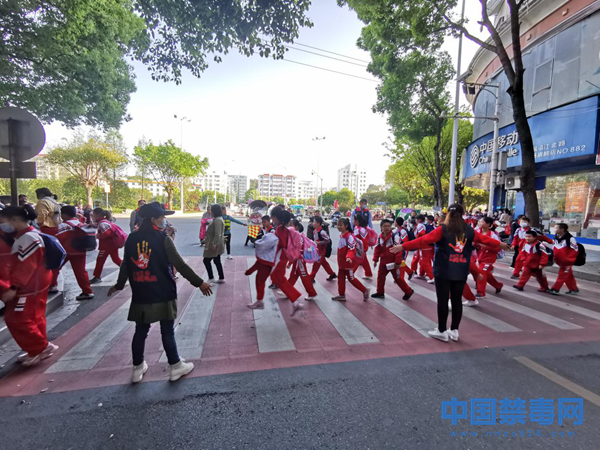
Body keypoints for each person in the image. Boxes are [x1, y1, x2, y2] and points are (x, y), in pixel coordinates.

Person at [108, 203, 212, 383]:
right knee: (167, 331)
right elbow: (180, 264)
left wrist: (118, 285)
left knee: (140, 331)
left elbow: (126, 265)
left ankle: (137, 368)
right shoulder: (164, 239)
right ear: (153, 219)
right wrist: (200, 283)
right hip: (163, 290)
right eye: (162, 217)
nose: (164, 220)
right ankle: (175, 366)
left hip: (141, 291)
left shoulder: (132, 238)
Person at [391, 203, 505, 343]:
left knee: (443, 301)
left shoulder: (442, 229)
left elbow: (423, 240)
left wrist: (402, 246)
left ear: (448, 214)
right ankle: (454, 330)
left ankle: (441, 331)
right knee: (457, 301)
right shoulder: (469, 230)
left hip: (443, 270)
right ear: (462, 214)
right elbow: (485, 240)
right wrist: (501, 245)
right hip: (461, 270)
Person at [1, 206, 58, 366]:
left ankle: (40, 347)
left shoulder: (27, 239)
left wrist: (14, 287)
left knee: (17, 319)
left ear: (14, 220)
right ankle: (37, 348)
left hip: (29, 287)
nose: (2, 226)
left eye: (3, 222)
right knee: (35, 317)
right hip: (36, 284)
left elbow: (26, 266)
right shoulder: (30, 235)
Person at [268, 206, 304, 316]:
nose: (271, 218)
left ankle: (295, 300)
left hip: (280, 257)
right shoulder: (284, 228)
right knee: (279, 278)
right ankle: (295, 301)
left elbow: (282, 243)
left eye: (272, 216)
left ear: (276, 217)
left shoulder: (279, 228)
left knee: (279, 279)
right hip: (282, 257)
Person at [56, 206, 94, 301]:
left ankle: (52, 285)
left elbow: (58, 239)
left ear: (64, 214)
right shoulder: (80, 224)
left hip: (66, 252)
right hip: (81, 251)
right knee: (81, 272)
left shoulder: (63, 225)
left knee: (54, 268)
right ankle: (87, 291)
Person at [371, 219, 413, 300]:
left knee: (398, 279)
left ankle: (408, 291)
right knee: (380, 277)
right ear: (381, 227)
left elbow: (398, 250)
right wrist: (375, 259)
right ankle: (380, 292)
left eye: (388, 226)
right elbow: (377, 249)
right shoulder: (380, 237)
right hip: (383, 262)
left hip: (393, 262)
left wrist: (398, 262)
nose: (387, 228)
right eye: (385, 226)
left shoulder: (395, 237)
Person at [333, 218, 370, 302]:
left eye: (341, 225)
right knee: (341, 278)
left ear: (346, 226)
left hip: (348, 262)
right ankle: (341, 295)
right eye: (338, 225)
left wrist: (349, 257)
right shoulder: (342, 235)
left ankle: (364, 290)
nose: (338, 227)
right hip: (342, 262)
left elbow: (352, 249)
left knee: (351, 278)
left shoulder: (349, 237)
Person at [245, 228, 279, 310]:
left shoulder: (263, 257)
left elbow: (256, 265)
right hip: (268, 266)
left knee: (260, 283)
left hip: (264, 269)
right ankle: (259, 301)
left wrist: (249, 271)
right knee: (260, 282)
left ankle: (260, 302)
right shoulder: (270, 254)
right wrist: (249, 271)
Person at [287, 219, 318, 301]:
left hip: (299, 260)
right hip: (297, 260)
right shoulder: (296, 236)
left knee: (304, 277)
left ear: (297, 227)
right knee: (293, 275)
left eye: (291, 225)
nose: (289, 227)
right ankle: (286, 290)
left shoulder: (297, 237)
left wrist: (290, 262)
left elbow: (297, 250)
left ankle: (312, 293)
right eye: (289, 225)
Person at [90, 208, 123, 284]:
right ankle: (129, 270)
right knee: (116, 259)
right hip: (112, 245)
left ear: (98, 215)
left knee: (100, 261)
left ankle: (97, 277)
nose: (92, 216)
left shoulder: (102, 223)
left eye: (93, 215)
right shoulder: (104, 222)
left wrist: (98, 236)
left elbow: (107, 233)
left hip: (106, 246)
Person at [475, 217, 503, 298]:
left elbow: (498, 247)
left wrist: (486, 247)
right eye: (479, 221)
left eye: (482, 222)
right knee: (486, 273)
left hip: (489, 258)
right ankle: (498, 285)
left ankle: (481, 293)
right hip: (480, 256)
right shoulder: (477, 232)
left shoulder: (493, 235)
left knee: (482, 272)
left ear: (488, 224)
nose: (480, 223)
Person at [548, 223, 580, 295]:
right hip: (560, 261)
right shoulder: (556, 237)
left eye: (556, 228)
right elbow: (555, 247)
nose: (554, 229)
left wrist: (569, 260)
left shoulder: (570, 239)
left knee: (562, 275)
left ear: (562, 229)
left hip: (567, 262)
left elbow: (575, 251)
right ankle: (574, 289)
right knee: (568, 275)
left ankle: (555, 289)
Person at [203, 204, 226, 283]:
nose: (211, 212)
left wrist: (214, 244)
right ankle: (221, 277)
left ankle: (211, 277)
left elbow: (217, 234)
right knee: (216, 260)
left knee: (206, 260)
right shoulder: (218, 219)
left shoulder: (217, 220)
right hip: (217, 243)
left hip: (215, 244)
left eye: (212, 210)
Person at [310, 216, 337, 281]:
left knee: (316, 265)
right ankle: (332, 274)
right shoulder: (314, 231)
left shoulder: (322, 232)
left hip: (321, 251)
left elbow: (328, 240)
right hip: (317, 250)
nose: (313, 223)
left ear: (318, 223)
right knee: (324, 263)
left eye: (314, 222)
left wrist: (319, 243)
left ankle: (311, 277)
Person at [411, 214, 434, 283]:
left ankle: (432, 277)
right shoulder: (424, 225)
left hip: (424, 246)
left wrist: (417, 241)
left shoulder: (420, 225)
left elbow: (422, 233)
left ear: (419, 220)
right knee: (422, 260)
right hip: (425, 246)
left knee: (425, 261)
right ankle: (422, 273)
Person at [352, 213, 374, 280]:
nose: (352, 221)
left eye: (354, 219)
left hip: (360, 249)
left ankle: (350, 274)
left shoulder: (362, 229)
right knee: (364, 261)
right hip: (358, 248)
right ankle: (368, 273)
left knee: (356, 261)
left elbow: (365, 240)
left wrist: (363, 249)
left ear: (357, 221)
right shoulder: (357, 228)